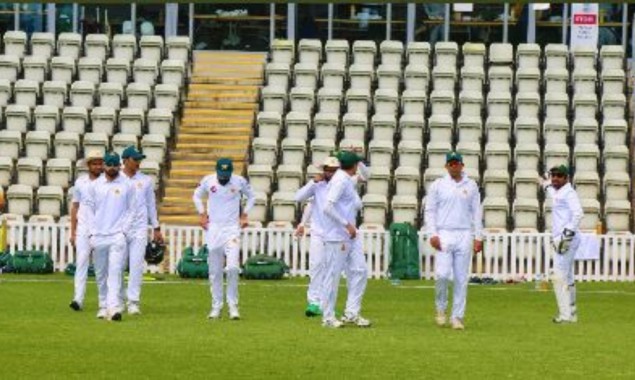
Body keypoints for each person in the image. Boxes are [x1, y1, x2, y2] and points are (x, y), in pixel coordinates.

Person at [424, 152, 483, 330]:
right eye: (451, 163)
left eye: (457, 163)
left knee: (460, 278)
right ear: (446, 166)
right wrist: (432, 233)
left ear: (462, 165)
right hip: (444, 233)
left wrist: (478, 236)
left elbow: (477, 212)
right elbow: (430, 210)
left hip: (464, 233)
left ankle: (457, 316)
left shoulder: (471, 185)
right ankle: (441, 308)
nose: (454, 166)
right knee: (442, 275)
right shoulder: (438, 185)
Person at [193, 158, 255, 320]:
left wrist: (245, 214)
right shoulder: (208, 180)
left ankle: (233, 306)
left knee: (233, 268)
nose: (223, 178)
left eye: (226, 175)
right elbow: (197, 196)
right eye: (221, 174)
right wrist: (201, 214)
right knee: (215, 271)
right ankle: (216, 306)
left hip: (232, 229)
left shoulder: (239, 181)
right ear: (217, 171)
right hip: (214, 229)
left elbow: (252, 196)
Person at [321, 151, 370, 329]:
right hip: (337, 235)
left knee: (360, 271)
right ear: (354, 166)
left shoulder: (347, 178)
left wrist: (360, 159)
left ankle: (351, 313)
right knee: (333, 276)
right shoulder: (340, 180)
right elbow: (327, 207)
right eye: (357, 163)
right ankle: (327, 317)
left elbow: (367, 176)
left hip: (350, 234)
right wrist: (346, 224)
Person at [85, 152, 135, 322]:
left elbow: (131, 210)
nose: (112, 168)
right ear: (104, 165)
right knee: (100, 273)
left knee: (115, 271)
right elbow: (87, 211)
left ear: (119, 165)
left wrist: (123, 231)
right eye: (109, 165)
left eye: (115, 165)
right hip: (98, 235)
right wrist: (91, 232)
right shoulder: (95, 186)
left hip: (117, 236)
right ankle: (102, 305)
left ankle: (113, 308)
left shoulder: (127, 184)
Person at [294, 156, 341, 317]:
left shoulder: (342, 185)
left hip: (336, 232)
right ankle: (314, 302)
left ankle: (326, 302)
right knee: (316, 265)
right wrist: (313, 182)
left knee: (331, 269)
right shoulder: (317, 185)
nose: (330, 173)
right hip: (318, 231)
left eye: (333, 170)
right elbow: (299, 198)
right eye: (328, 169)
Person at [119, 146, 162, 315]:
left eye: (139, 160)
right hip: (120, 228)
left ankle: (133, 302)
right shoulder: (116, 180)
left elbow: (151, 205)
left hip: (139, 228)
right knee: (119, 265)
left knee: (136, 265)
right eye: (135, 159)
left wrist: (156, 227)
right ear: (126, 160)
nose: (138, 163)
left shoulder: (145, 180)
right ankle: (119, 300)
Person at [540, 165, 583, 324]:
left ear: (566, 178)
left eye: (559, 175)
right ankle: (571, 312)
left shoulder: (569, 193)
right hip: (564, 238)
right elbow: (550, 189)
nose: (555, 178)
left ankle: (565, 315)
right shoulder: (557, 190)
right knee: (568, 276)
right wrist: (544, 182)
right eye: (553, 175)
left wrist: (567, 235)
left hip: (567, 239)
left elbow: (578, 213)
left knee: (558, 276)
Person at [69, 150, 105, 317]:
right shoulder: (80, 182)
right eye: (94, 163)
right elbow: (75, 207)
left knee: (100, 267)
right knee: (81, 264)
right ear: (88, 165)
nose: (98, 166)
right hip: (83, 229)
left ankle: (103, 302)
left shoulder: (107, 183)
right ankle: (78, 299)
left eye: (100, 163)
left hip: (101, 230)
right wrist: (73, 231)